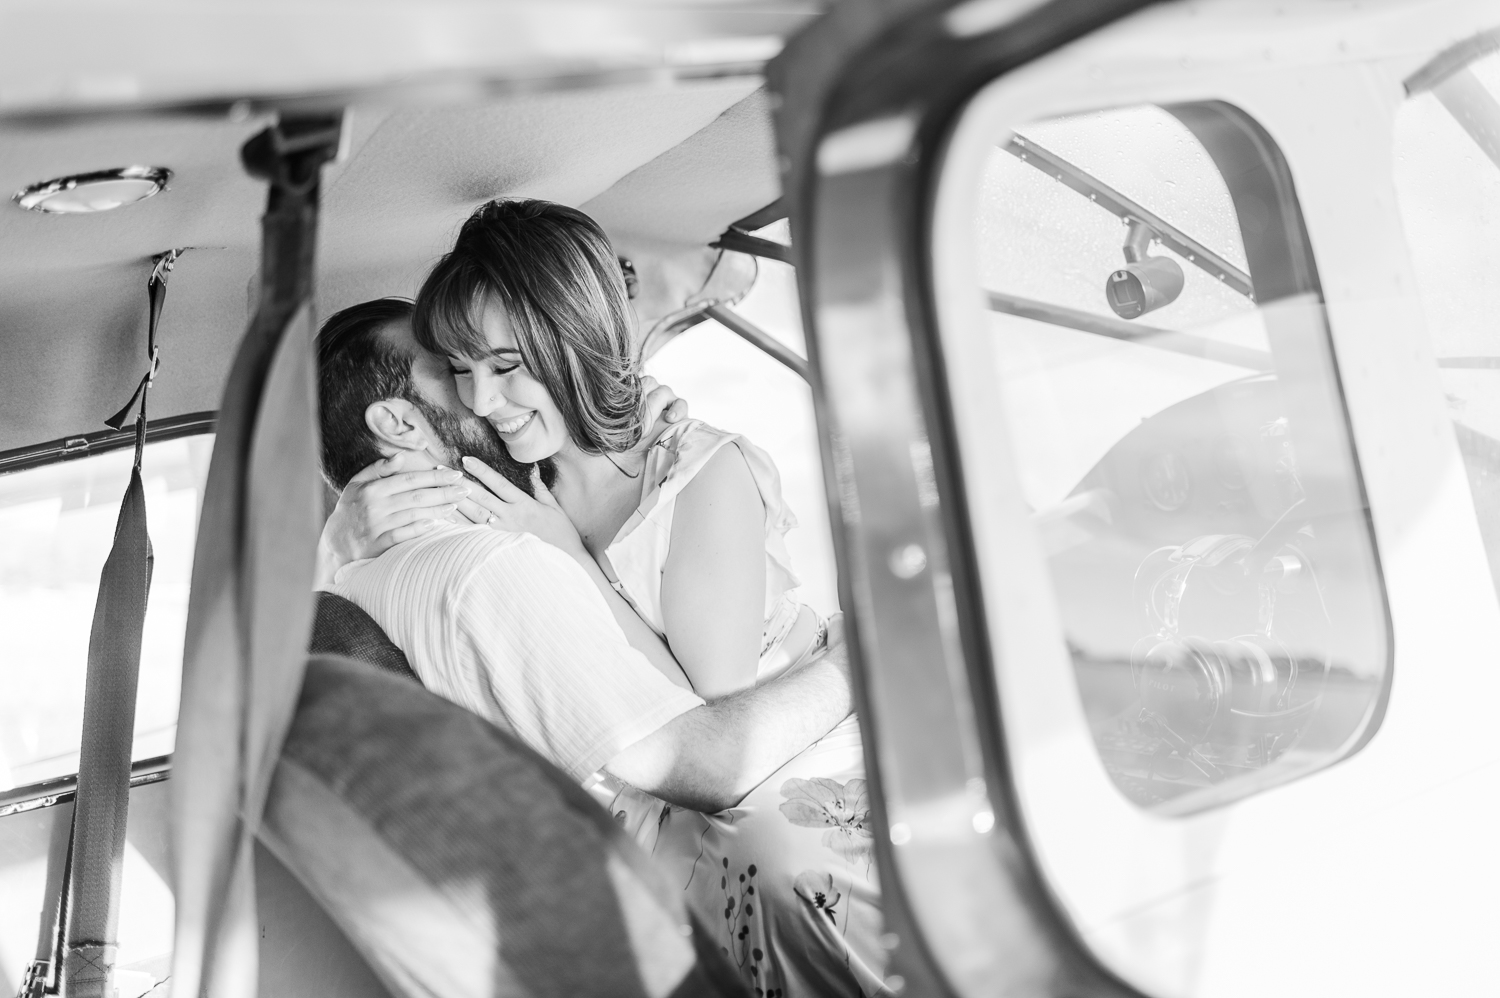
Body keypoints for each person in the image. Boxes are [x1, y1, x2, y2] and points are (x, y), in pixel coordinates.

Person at [320, 200, 886, 998]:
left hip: (788, 740)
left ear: (568, 343)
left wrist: (570, 554)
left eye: (507, 364)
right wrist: (342, 534)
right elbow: (696, 747)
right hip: (695, 798)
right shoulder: (515, 487)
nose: (481, 402)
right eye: (460, 368)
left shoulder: (696, 475)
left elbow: (713, 716)